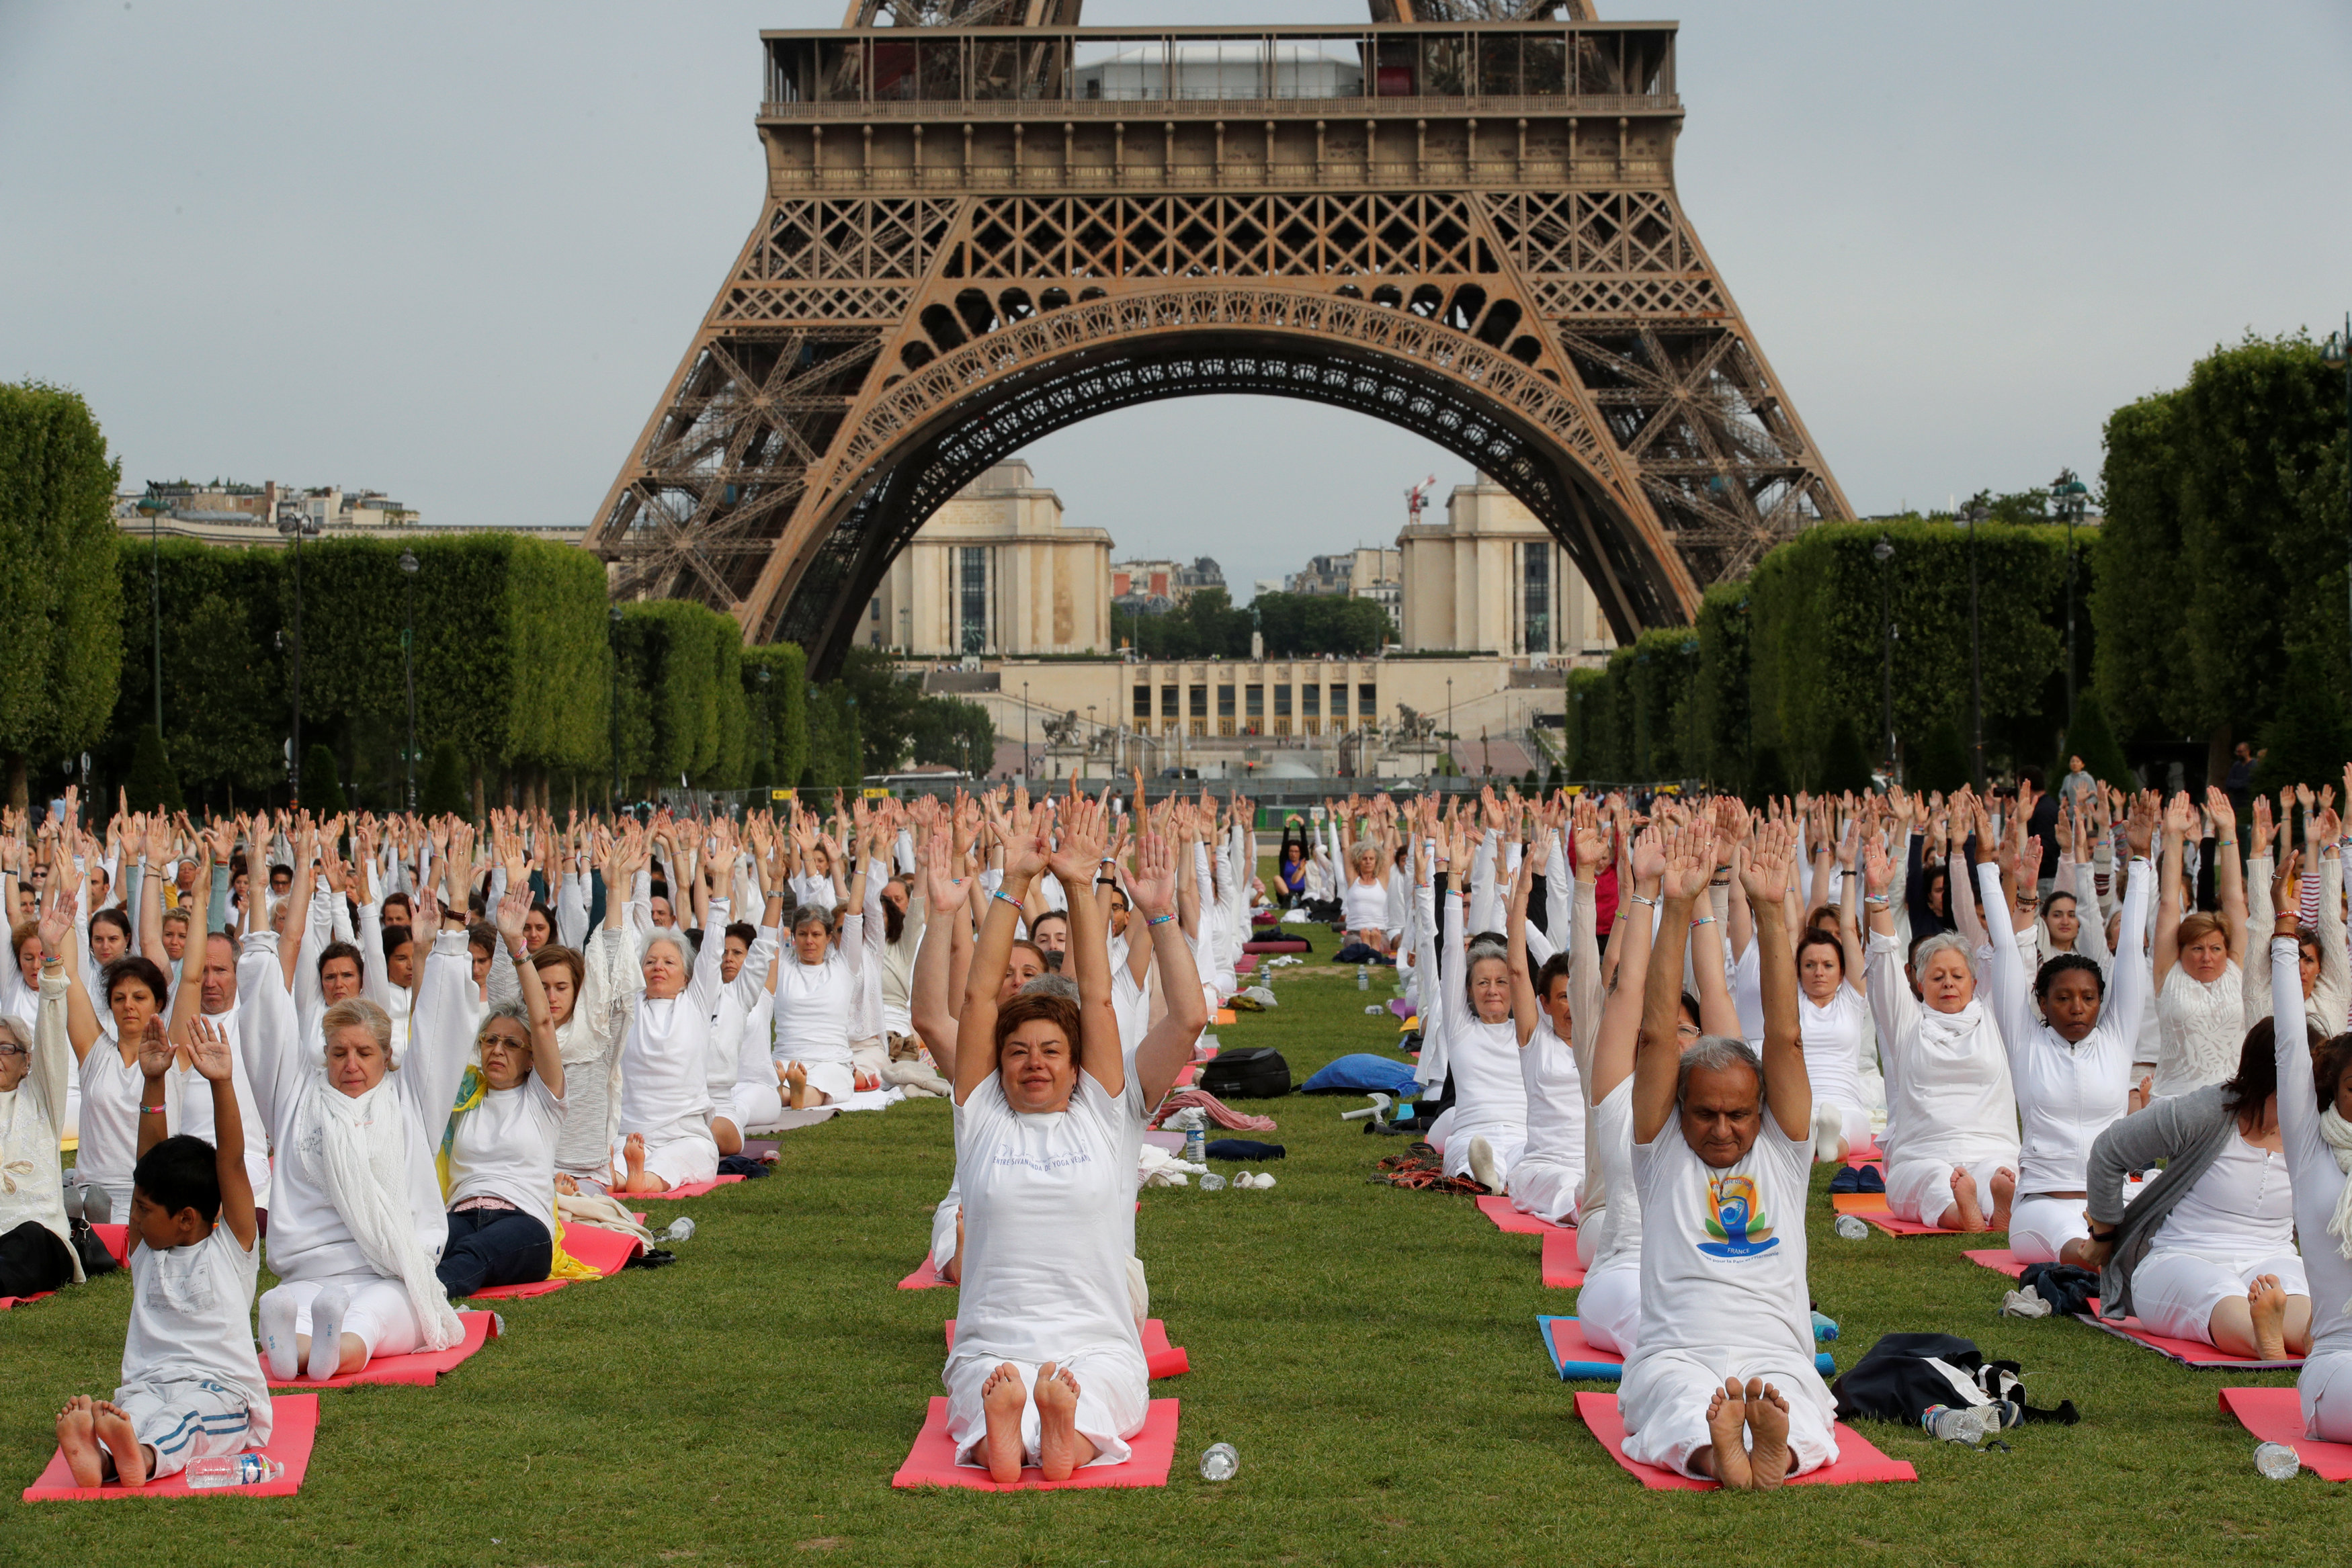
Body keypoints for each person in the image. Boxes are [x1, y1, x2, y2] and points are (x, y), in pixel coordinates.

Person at [943, 793, 1206, 1482]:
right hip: (993, 1344)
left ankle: (1059, 1434)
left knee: (1104, 1382)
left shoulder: (1104, 1113)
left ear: (1076, 1061)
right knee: (985, 1385)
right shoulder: (981, 1119)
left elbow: (1100, 1000)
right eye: (1018, 1051)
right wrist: (1013, 884)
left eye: (1052, 1052)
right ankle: (1011, 1431)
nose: (1034, 1062)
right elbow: (976, 1001)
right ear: (997, 1066)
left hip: (1092, 1342)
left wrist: (1091, 893)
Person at [1619, 816, 1834, 1490]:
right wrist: (1676, 905)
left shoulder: (1781, 1148)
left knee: (1797, 1405)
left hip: (1776, 1351)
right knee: (1676, 1402)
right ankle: (1723, 1456)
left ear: (1760, 1109)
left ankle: (1771, 1450)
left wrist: (1772, 918)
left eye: (1738, 1114)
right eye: (1704, 1113)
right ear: (1678, 1108)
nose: (1720, 1129)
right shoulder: (1658, 1153)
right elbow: (1655, 1038)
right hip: (1676, 1351)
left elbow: (1784, 1039)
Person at [245, 870, 468, 1381]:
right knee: (320, 1307)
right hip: (310, 1271)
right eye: (339, 1053)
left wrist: (452, 928)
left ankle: (314, 1347)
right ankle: (309, 1339)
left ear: (387, 1055)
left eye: (365, 1052)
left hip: (388, 1269)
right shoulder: (296, 1097)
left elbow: (441, 1023)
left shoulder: (410, 1097)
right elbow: (264, 1012)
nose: (351, 1064)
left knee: (384, 1310)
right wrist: (260, 904)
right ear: (322, 1055)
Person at [52, 1015, 268, 1487]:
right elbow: (147, 1162)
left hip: (222, 1392)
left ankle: (142, 1459)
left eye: (145, 1209)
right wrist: (154, 1081)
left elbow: (230, 1161)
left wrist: (222, 1083)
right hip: (148, 1384)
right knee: (131, 1414)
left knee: (186, 1421)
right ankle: (106, 1459)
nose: (135, 1216)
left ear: (187, 1218)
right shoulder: (150, 1247)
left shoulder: (231, 1248)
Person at [1978, 791, 2156, 1265]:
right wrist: (1990, 870)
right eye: (2063, 998)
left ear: (2103, 1002)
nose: (2077, 1008)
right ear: (2042, 1002)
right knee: (2089, 1252)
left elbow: (2133, 949)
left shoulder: (2115, 1038)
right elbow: (2005, 948)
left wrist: (2140, 859)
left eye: (2089, 998)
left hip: (2111, 1200)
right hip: (2044, 1208)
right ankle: (2111, 1254)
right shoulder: (2026, 1039)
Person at [2081, 1002, 2312, 1360]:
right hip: (2182, 1255)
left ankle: (2309, 1337)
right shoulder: (2207, 1112)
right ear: (2271, 1076)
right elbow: (2110, 1150)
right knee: (2215, 1291)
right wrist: (2105, 1231)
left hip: (2272, 1256)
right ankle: (2261, 1339)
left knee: (2294, 1286)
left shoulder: (2317, 1130)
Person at [1859, 836, 2018, 1232]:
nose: (1948, 984)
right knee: (1929, 1180)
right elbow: (1883, 962)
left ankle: (1994, 1203)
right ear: (1919, 984)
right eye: (1937, 976)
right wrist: (1878, 896)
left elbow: (2010, 951)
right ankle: (1966, 1214)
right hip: (1923, 1153)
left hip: (1992, 1148)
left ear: (1974, 980)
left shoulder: (1994, 1019)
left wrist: (2010, 880)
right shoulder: (1909, 1024)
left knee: (2001, 1173)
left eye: (1957, 975)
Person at [436, 889, 568, 1298]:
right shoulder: (464, 1096)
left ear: (530, 1057)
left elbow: (543, 1023)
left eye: (510, 1044)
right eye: (490, 1040)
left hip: (523, 1223)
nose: (497, 1049)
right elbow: (435, 1021)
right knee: (419, 1247)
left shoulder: (543, 1100)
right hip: (460, 1212)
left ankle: (420, 1306)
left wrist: (516, 946)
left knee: (474, 1253)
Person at [2263, 860, 2352, 1441]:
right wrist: (2285, 929)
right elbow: (2293, 1045)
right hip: (2338, 1367)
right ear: (2333, 1091)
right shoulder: (2310, 1146)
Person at [1419, 812, 1528, 1194]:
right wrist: (1452, 881)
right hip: (1471, 1132)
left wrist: (1521, 919)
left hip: (1521, 1134)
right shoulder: (1461, 1027)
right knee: (1468, 1155)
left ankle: (1506, 1179)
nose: (1492, 990)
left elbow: (1550, 971)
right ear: (1468, 991)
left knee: (1535, 1161)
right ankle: (1488, 1177)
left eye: (1501, 982)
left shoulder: (1529, 1031)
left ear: (1516, 988)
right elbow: (1450, 951)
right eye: (1482, 982)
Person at [2151, 789, 2246, 1098]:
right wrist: (2174, 836)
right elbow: (2169, 903)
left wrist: (2228, 832)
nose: (2207, 957)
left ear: (2226, 950)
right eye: (2197, 948)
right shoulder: (2170, 974)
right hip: (2174, 1103)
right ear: (2181, 951)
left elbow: (2233, 898)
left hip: (2232, 1106)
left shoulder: (2235, 968)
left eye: (2215, 948)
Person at [1, 943, 80, 1299]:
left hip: (42, 1241)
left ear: (26, 1060)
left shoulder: (41, 1098)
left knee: (30, 1235)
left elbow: (51, 1035)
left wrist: (51, 966)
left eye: (6, 1049)